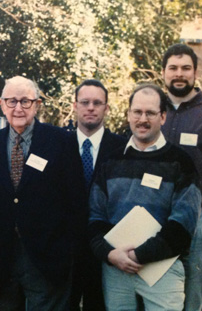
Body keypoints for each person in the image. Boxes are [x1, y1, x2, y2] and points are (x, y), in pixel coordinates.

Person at [0, 76, 85, 310]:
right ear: (2, 104)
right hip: (1, 263)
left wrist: (68, 258)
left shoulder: (61, 142)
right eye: (11, 101)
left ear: (37, 104)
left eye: (25, 101)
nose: (18, 108)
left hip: (47, 261)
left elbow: (76, 203)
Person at [89, 84, 201, 310]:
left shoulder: (181, 162)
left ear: (163, 117)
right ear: (129, 115)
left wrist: (141, 255)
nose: (142, 119)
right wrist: (111, 255)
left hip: (163, 270)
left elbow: (183, 223)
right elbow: (95, 217)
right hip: (116, 270)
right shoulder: (109, 161)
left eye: (150, 113)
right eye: (137, 112)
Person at [160, 43, 202, 311]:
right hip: (154, 210)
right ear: (164, 72)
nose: (179, 74)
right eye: (173, 68)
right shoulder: (151, 107)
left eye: (185, 68)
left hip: (197, 216)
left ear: (195, 72)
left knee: (193, 289)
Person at [69, 79, 126, 311]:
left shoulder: (122, 148)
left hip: (106, 249)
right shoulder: (59, 144)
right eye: (85, 102)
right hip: (68, 251)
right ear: (75, 106)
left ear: (107, 108)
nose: (90, 107)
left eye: (97, 103)